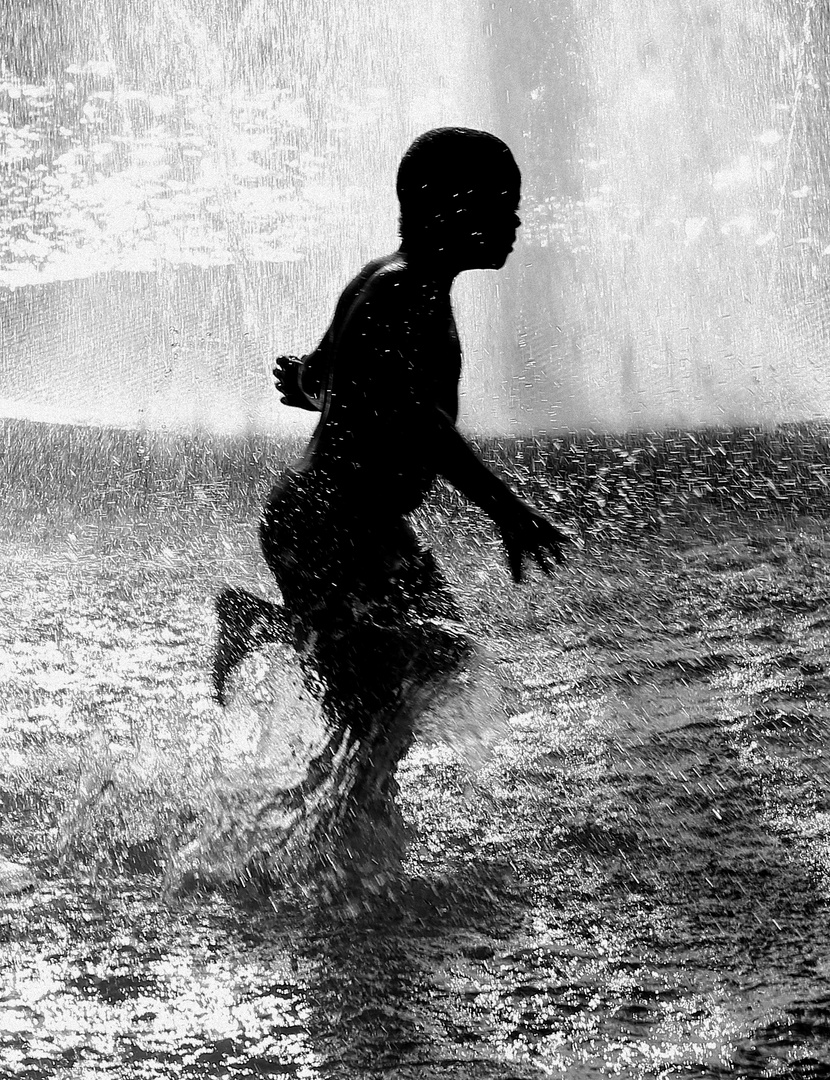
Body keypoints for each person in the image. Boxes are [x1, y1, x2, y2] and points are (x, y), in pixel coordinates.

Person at [211, 127, 569, 857]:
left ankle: (352, 811)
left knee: (442, 655)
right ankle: (338, 830)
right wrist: (509, 512)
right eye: (502, 205)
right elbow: (417, 418)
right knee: (370, 703)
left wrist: (309, 390)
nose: (515, 222)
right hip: (327, 520)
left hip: (366, 525)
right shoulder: (403, 288)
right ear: (447, 208)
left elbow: (329, 373)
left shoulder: (395, 281)